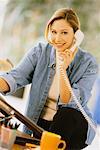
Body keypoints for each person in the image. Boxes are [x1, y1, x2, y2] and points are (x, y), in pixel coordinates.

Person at [0, 8, 98, 150]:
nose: (57, 39)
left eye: (64, 32)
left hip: (73, 127)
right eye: (54, 32)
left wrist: (62, 69)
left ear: (76, 35)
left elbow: (68, 102)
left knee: (66, 114)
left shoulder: (88, 63)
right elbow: (16, 77)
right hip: (40, 125)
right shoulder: (40, 51)